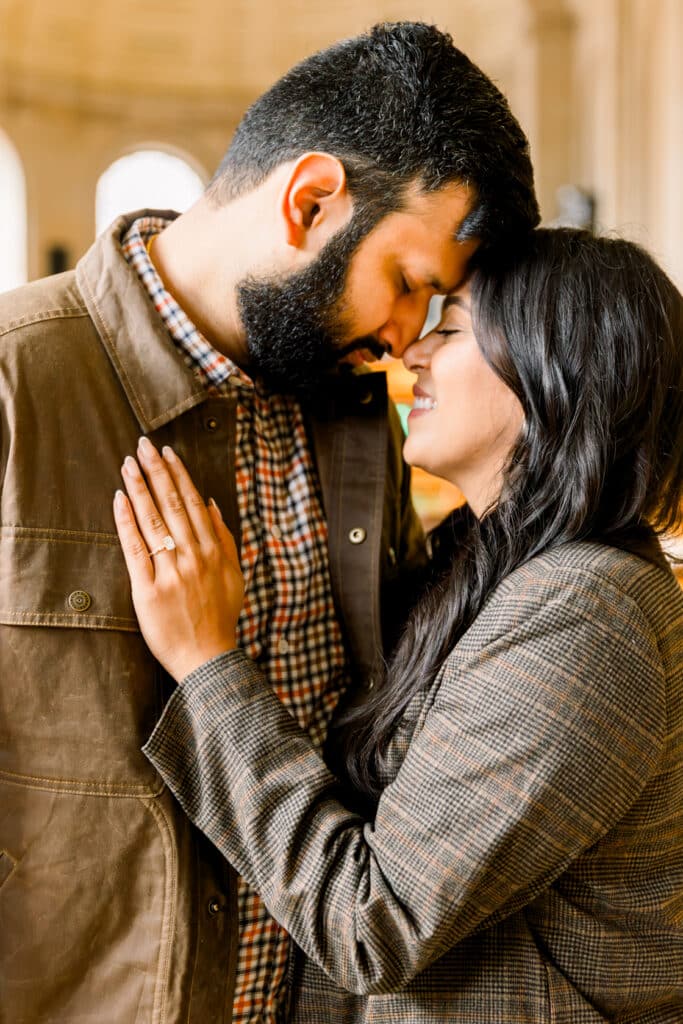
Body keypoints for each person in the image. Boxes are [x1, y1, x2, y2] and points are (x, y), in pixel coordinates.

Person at [0, 21, 539, 1024]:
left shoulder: (347, 403)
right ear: (308, 200)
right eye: (408, 285)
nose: (402, 341)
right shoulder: (15, 383)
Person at [115, 227, 683, 1023]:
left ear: (552, 369)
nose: (411, 354)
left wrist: (207, 663)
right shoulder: (489, 558)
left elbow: (371, 924)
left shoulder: (583, 614)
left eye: (448, 329)